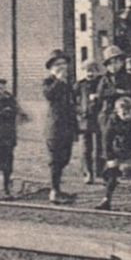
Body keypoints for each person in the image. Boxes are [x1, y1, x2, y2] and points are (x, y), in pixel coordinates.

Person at [41, 49, 78, 204]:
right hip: (55, 128)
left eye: (64, 64)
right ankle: (54, 191)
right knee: (55, 160)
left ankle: (58, 189)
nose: (62, 67)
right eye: (57, 65)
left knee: (65, 158)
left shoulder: (68, 83)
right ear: (51, 68)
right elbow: (49, 95)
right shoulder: (49, 82)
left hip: (67, 127)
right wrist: (58, 80)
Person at [75, 59, 105, 184]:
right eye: (88, 71)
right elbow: (72, 100)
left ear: (97, 72)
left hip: (99, 119)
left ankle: (101, 172)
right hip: (85, 120)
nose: (90, 74)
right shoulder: (80, 85)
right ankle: (88, 173)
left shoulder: (101, 83)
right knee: (86, 149)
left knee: (100, 147)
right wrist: (79, 111)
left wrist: (99, 97)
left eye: (93, 71)